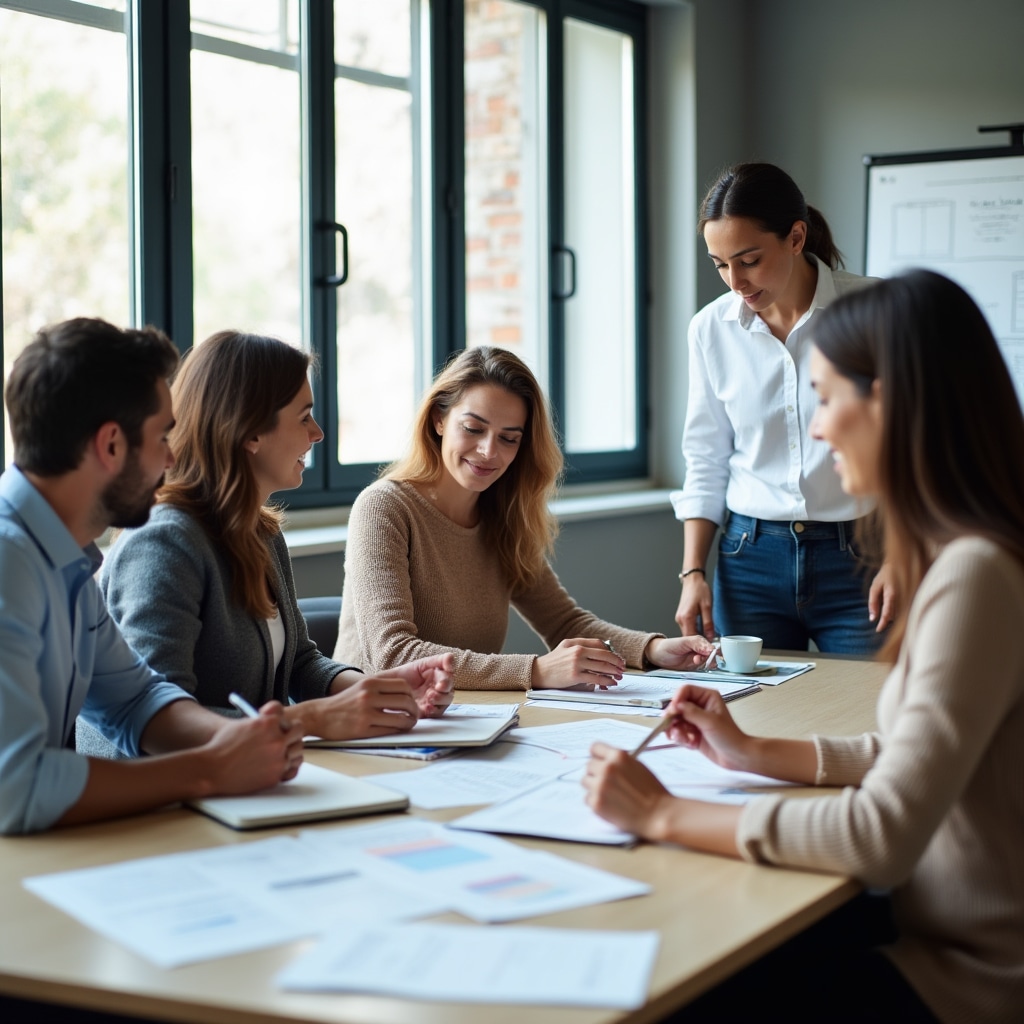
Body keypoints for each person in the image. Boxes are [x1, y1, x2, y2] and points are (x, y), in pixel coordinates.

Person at [584, 270, 1024, 1022]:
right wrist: (749, 751)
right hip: (937, 933)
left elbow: (879, 834)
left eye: (825, 398)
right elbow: (911, 754)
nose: (817, 429)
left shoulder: (976, 574)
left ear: (887, 399)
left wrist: (663, 816)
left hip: (970, 974)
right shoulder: (973, 556)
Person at [0, 318, 304, 835]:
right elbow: (17, 787)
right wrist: (210, 769)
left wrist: (240, 741)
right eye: (162, 436)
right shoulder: (11, 563)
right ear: (111, 445)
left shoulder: (66, 557)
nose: (172, 455)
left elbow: (137, 700)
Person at [93, 331, 453, 751]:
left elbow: (300, 663)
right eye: (303, 417)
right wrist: (306, 719)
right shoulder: (163, 545)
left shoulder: (261, 531)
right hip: (162, 798)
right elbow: (159, 722)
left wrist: (378, 691)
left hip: (249, 776)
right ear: (250, 433)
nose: (317, 433)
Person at [335, 345, 715, 689]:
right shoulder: (384, 508)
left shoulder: (502, 516)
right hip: (377, 725)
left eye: (509, 438)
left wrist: (654, 650)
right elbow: (392, 654)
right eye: (473, 428)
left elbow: (565, 623)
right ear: (438, 419)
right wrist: (536, 670)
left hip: (462, 719)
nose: (488, 451)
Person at [672, 162, 895, 653]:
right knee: (756, 713)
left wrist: (903, 555)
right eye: (719, 264)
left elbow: (912, 442)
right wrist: (693, 572)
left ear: (796, 237)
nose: (735, 281)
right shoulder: (710, 329)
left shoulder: (875, 308)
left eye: (749, 260)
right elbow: (706, 457)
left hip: (864, 555)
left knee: (874, 711)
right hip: (749, 558)